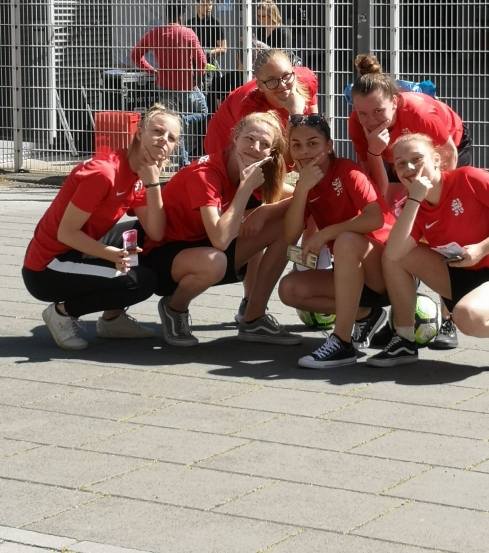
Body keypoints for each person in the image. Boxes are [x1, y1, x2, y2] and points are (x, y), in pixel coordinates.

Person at [368, 133, 489, 371]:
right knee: (396, 256)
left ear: (436, 160)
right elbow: (394, 254)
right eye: (401, 163)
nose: (410, 168)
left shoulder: (470, 178)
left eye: (417, 159)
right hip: (462, 274)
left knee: (467, 317)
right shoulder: (411, 205)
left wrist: (481, 249)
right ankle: (404, 339)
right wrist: (415, 200)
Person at [21, 106, 181, 351]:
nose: (164, 140)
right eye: (158, 131)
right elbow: (66, 233)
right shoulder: (104, 173)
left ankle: (112, 321)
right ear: (140, 133)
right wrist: (111, 254)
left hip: (76, 250)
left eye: (172, 138)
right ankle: (62, 313)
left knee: (142, 236)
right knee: (141, 281)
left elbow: (157, 233)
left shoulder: (140, 175)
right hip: (47, 267)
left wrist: (153, 184)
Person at [348, 53, 473, 350]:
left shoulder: (417, 112)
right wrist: (375, 150)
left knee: (440, 228)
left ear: (395, 101)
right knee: (394, 229)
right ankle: (398, 313)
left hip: (441, 153)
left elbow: (447, 157)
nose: (370, 121)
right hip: (394, 156)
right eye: (362, 113)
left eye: (378, 111)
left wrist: (428, 201)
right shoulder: (358, 124)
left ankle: (449, 319)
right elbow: (378, 186)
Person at [143, 111, 300, 347]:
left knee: (284, 224)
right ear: (235, 137)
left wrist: (265, 211)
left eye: (264, 144)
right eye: (249, 138)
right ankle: (175, 307)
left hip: (204, 246)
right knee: (215, 261)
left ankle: (254, 317)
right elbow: (221, 240)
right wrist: (245, 188)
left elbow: (301, 197)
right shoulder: (206, 174)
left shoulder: (252, 169)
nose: (255, 148)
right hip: (163, 256)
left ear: (270, 153)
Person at [204, 48, 320, 322]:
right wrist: (296, 114)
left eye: (287, 76)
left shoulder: (306, 80)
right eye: (272, 82)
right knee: (258, 223)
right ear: (259, 84)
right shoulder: (250, 108)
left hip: (270, 157)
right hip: (236, 162)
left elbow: (314, 138)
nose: (283, 86)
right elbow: (274, 167)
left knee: (314, 199)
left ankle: (309, 267)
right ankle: (250, 304)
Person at [278, 114, 396, 369]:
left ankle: (342, 342)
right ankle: (366, 314)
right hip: (351, 274)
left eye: (313, 143)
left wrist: (325, 233)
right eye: (296, 145)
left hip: (387, 270)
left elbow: (375, 218)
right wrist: (301, 190)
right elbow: (289, 236)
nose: (304, 151)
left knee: (346, 240)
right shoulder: (307, 183)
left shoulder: (347, 171)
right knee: (289, 289)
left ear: (329, 146)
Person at [131, 1, 207, 167]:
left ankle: (182, 160)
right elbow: (202, 61)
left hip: (164, 86)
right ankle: (184, 121)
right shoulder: (188, 33)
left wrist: (152, 71)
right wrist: (198, 78)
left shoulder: (154, 34)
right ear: (181, 15)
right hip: (187, 87)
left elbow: (135, 55)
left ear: (167, 14)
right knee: (204, 111)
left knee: (170, 124)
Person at [190, 0, 228, 112]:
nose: (208, 7)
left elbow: (223, 48)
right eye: (204, 4)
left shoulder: (216, 24)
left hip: (209, 67)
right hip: (192, 68)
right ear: (197, 4)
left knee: (207, 99)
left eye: (210, 4)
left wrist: (206, 52)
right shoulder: (190, 24)